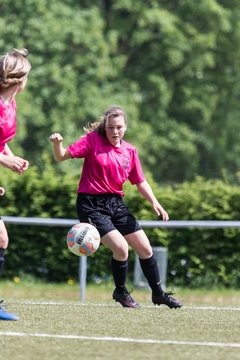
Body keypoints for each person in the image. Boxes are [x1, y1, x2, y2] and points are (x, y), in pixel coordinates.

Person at [50, 105, 182, 309]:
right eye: (111, 127)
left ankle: (158, 294)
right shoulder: (92, 141)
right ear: (105, 126)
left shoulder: (130, 151)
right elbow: (61, 156)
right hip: (91, 204)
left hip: (116, 204)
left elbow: (139, 181)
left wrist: (155, 202)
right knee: (121, 248)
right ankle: (120, 291)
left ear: (126, 127)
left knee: (145, 248)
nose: (115, 131)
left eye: (119, 127)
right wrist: (57, 144)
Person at [0, 48, 31, 320]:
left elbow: (1, 141)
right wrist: (5, 162)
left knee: (0, 238)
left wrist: (12, 157)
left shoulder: (11, 104)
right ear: (19, 78)